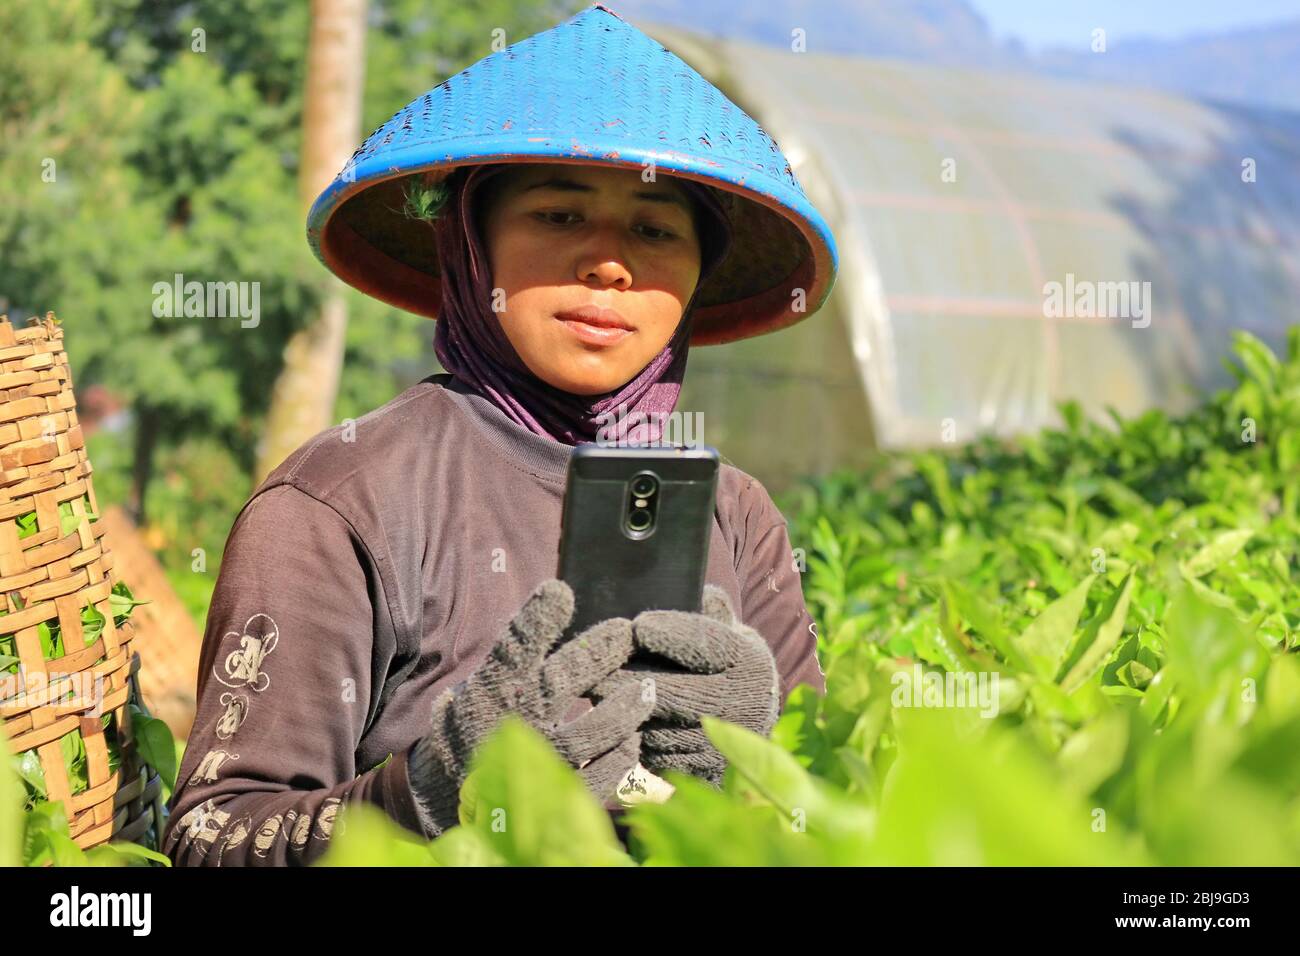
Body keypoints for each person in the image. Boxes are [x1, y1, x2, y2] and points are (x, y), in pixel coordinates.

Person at [163, 2, 837, 866]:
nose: (610, 263)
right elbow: (213, 837)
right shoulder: (341, 501)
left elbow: (828, 821)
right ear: (469, 245)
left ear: (696, 278)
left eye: (656, 228)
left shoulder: (736, 517)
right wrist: (435, 790)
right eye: (559, 215)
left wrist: (754, 775)